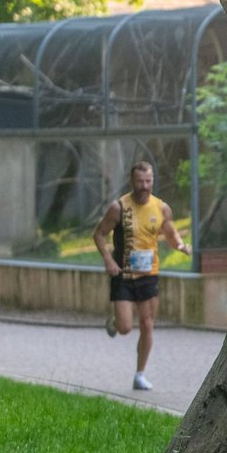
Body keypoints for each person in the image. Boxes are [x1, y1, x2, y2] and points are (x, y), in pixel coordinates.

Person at [93, 161, 191, 391]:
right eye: (140, 182)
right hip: (123, 274)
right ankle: (115, 323)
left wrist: (180, 245)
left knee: (147, 324)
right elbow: (99, 234)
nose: (144, 186)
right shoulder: (118, 207)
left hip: (149, 274)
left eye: (148, 181)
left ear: (153, 181)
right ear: (132, 182)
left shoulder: (161, 208)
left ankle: (140, 375)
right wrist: (108, 260)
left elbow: (170, 232)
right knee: (126, 327)